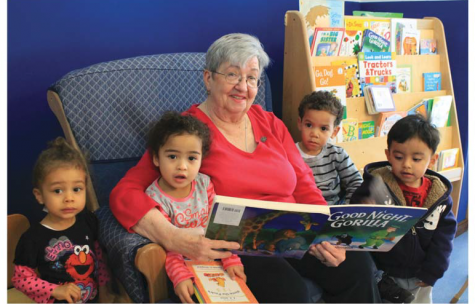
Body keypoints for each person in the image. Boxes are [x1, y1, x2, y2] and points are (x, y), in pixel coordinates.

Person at [110, 33, 380, 303]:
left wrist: (325, 231)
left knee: (358, 268)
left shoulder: (270, 123)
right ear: (208, 78)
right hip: (240, 243)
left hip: (295, 231)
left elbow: (304, 183)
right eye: (232, 75)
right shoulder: (185, 134)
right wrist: (172, 237)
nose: (243, 86)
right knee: (289, 292)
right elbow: (125, 192)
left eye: (251, 78)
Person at [350, 114, 457, 303]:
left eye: (416, 159)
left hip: (421, 274)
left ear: (432, 160)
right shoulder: (376, 185)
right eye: (399, 157)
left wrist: (434, 269)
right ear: (388, 154)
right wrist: (363, 207)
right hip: (386, 274)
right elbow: (355, 223)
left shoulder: (438, 196)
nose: (406, 164)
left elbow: (444, 237)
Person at [145, 111, 244, 303]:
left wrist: (231, 260)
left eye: (191, 158)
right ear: (156, 158)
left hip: (215, 265)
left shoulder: (204, 184)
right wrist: (180, 276)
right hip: (180, 268)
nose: (182, 166)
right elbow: (168, 245)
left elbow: (219, 228)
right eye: (172, 157)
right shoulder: (154, 197)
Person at [12, 137, 111, 303]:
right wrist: (55, 290)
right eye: (58, 190)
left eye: (76, 189)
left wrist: (105, 290)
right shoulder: (32, 238)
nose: (69, 198)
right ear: (40, 195)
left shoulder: (88, 220)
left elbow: (99, 260)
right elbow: (21, 280)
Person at [295, 91, 362, 205]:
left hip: (334, 212)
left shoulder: (337, 154)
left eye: (323, 128)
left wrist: (347, 208)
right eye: (309, 125)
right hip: (303, 213)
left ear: (334, 132)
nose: (315, 134)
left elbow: (356, 182)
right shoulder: (289, 153)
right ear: (300, 123)